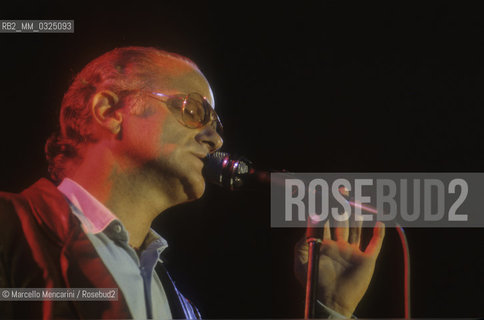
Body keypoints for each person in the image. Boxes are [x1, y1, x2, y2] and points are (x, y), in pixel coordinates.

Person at [0, 46, 384, 319]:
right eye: (194, 110)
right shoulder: (9, 229)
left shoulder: (181, 306)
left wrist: (330, 309)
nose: (215, 140)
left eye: (216, 125)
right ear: (110, 111)